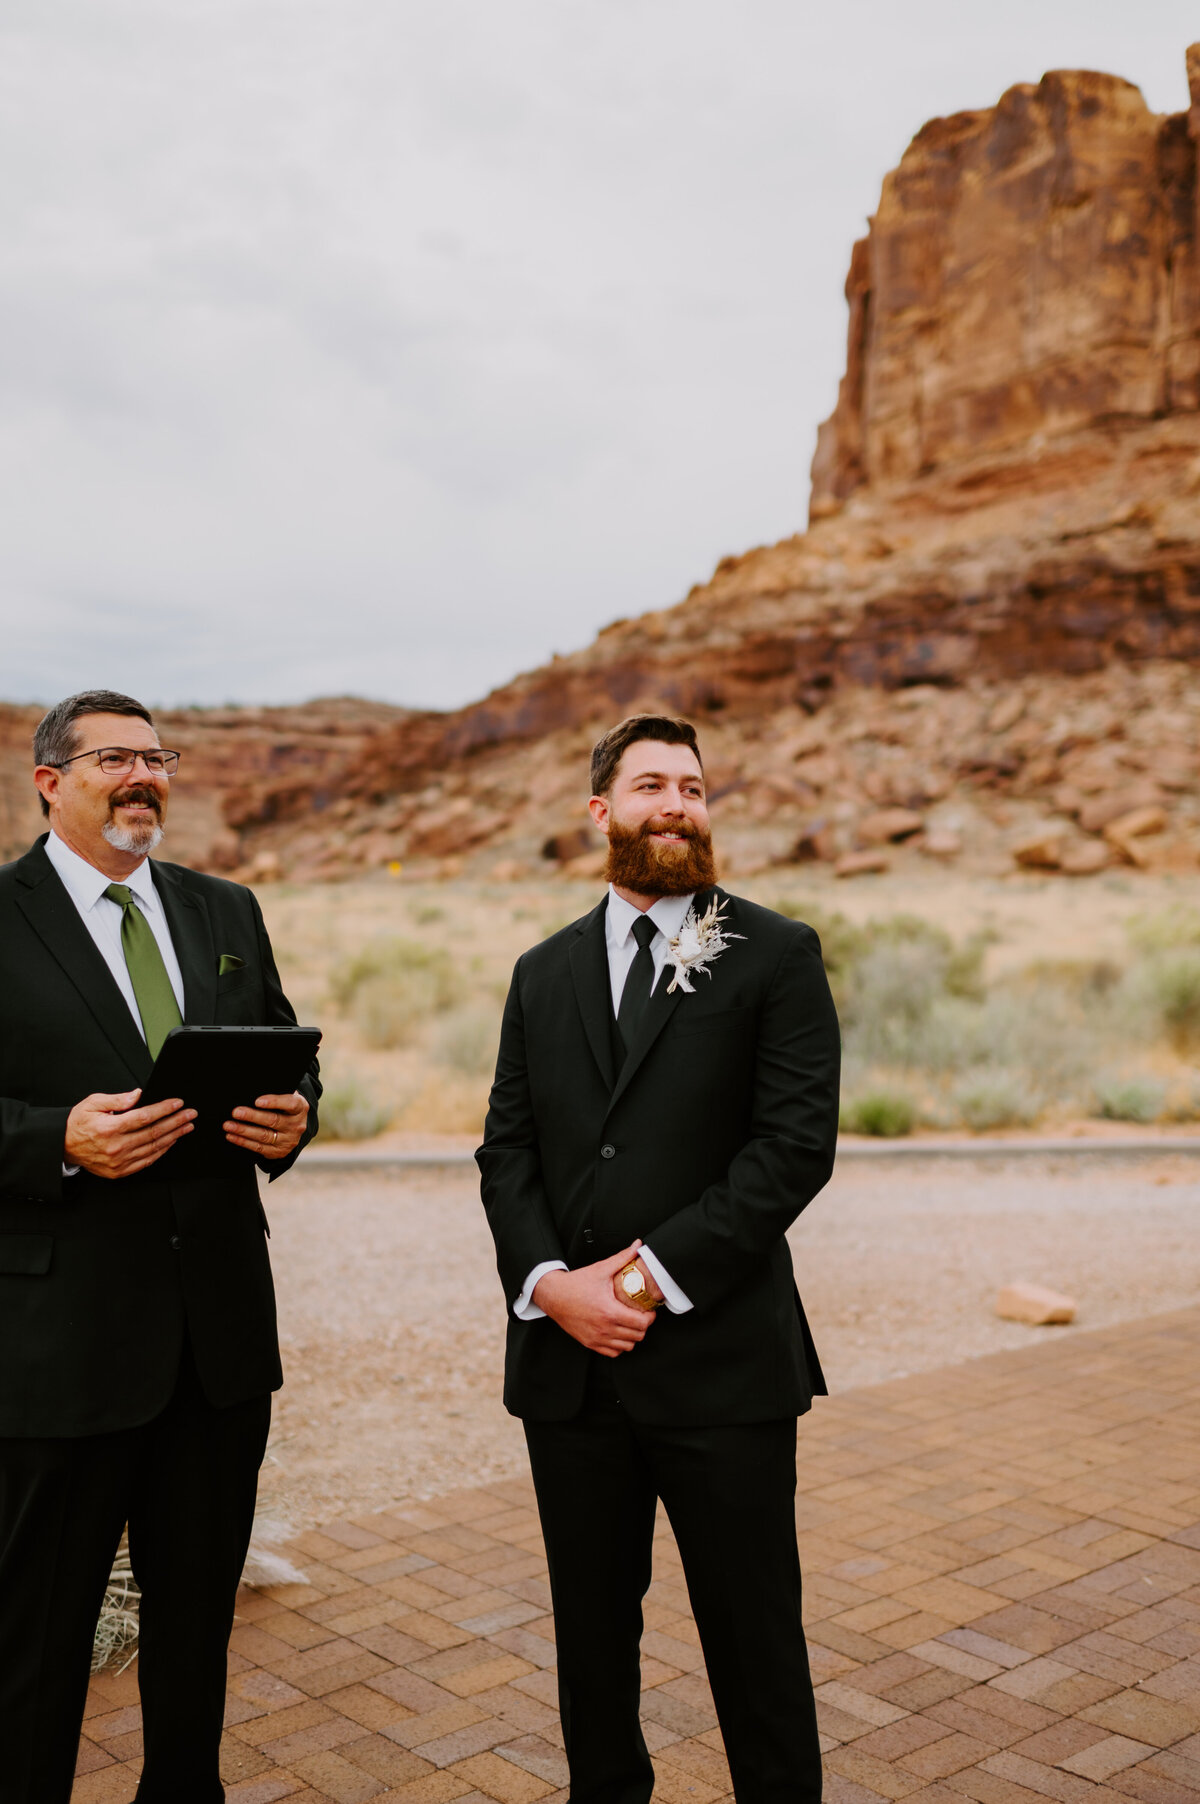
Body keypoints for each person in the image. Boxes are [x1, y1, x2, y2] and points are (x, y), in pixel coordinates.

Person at [478, 713, 840, 1804]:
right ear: (602, 812)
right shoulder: (541, 973)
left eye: (693, 787)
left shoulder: (774, 952)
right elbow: (508, 1151)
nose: (677, 805)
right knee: (592, 1644)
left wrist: (633, 1284)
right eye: (651, 786)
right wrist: (551, 1287)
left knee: (755, 1641)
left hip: (722, 1362)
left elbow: (792, 1151)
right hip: (571, 1378)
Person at [0, 689, 321, 1804]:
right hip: (62, 1349)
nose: (144, 778)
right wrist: (60, 1138)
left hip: (218, 1342)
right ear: (50, 781)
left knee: (194, 1642)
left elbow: (287, 1057)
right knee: (34, 1652)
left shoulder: (225, 909)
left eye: (158, 758)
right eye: (113, 760)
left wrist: (295, 1117)